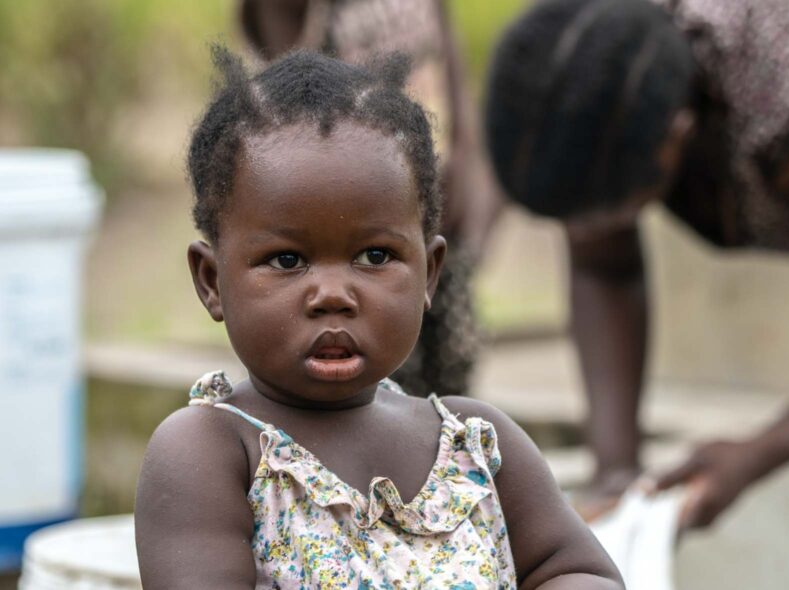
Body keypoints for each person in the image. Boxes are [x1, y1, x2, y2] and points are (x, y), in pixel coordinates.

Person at [134, 48, 622, 589]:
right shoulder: (213, 453)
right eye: (287, 260)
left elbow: (577, 571)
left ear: (430, 273)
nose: (333, 295)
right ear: (211, 280)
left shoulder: (475, 446)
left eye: (374, 256)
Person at [484, 0, 789, 566]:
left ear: (678, 136)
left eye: (604, 215)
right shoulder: (593, 68)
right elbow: (605, 266)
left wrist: (761, 453)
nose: (583, 237)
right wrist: (615, 472)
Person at [237, 0, 505, 398]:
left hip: (438, 201)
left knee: (452, 365)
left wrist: (468, 159)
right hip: (345, 222)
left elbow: (448, 60)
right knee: (369, 379)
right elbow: (285, 97)